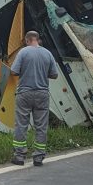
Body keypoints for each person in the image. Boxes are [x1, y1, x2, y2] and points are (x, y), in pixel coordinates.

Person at [9, 30, 60, 166]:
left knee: (21, 124)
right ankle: (38, 158)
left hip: (24, 93)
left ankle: (19, 157)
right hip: (42, 94)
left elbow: (13, 71)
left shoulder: (23, 52)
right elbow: (54, 75)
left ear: (27, 40)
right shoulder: (47, 53)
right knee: (41, 126)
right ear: (38, 40)